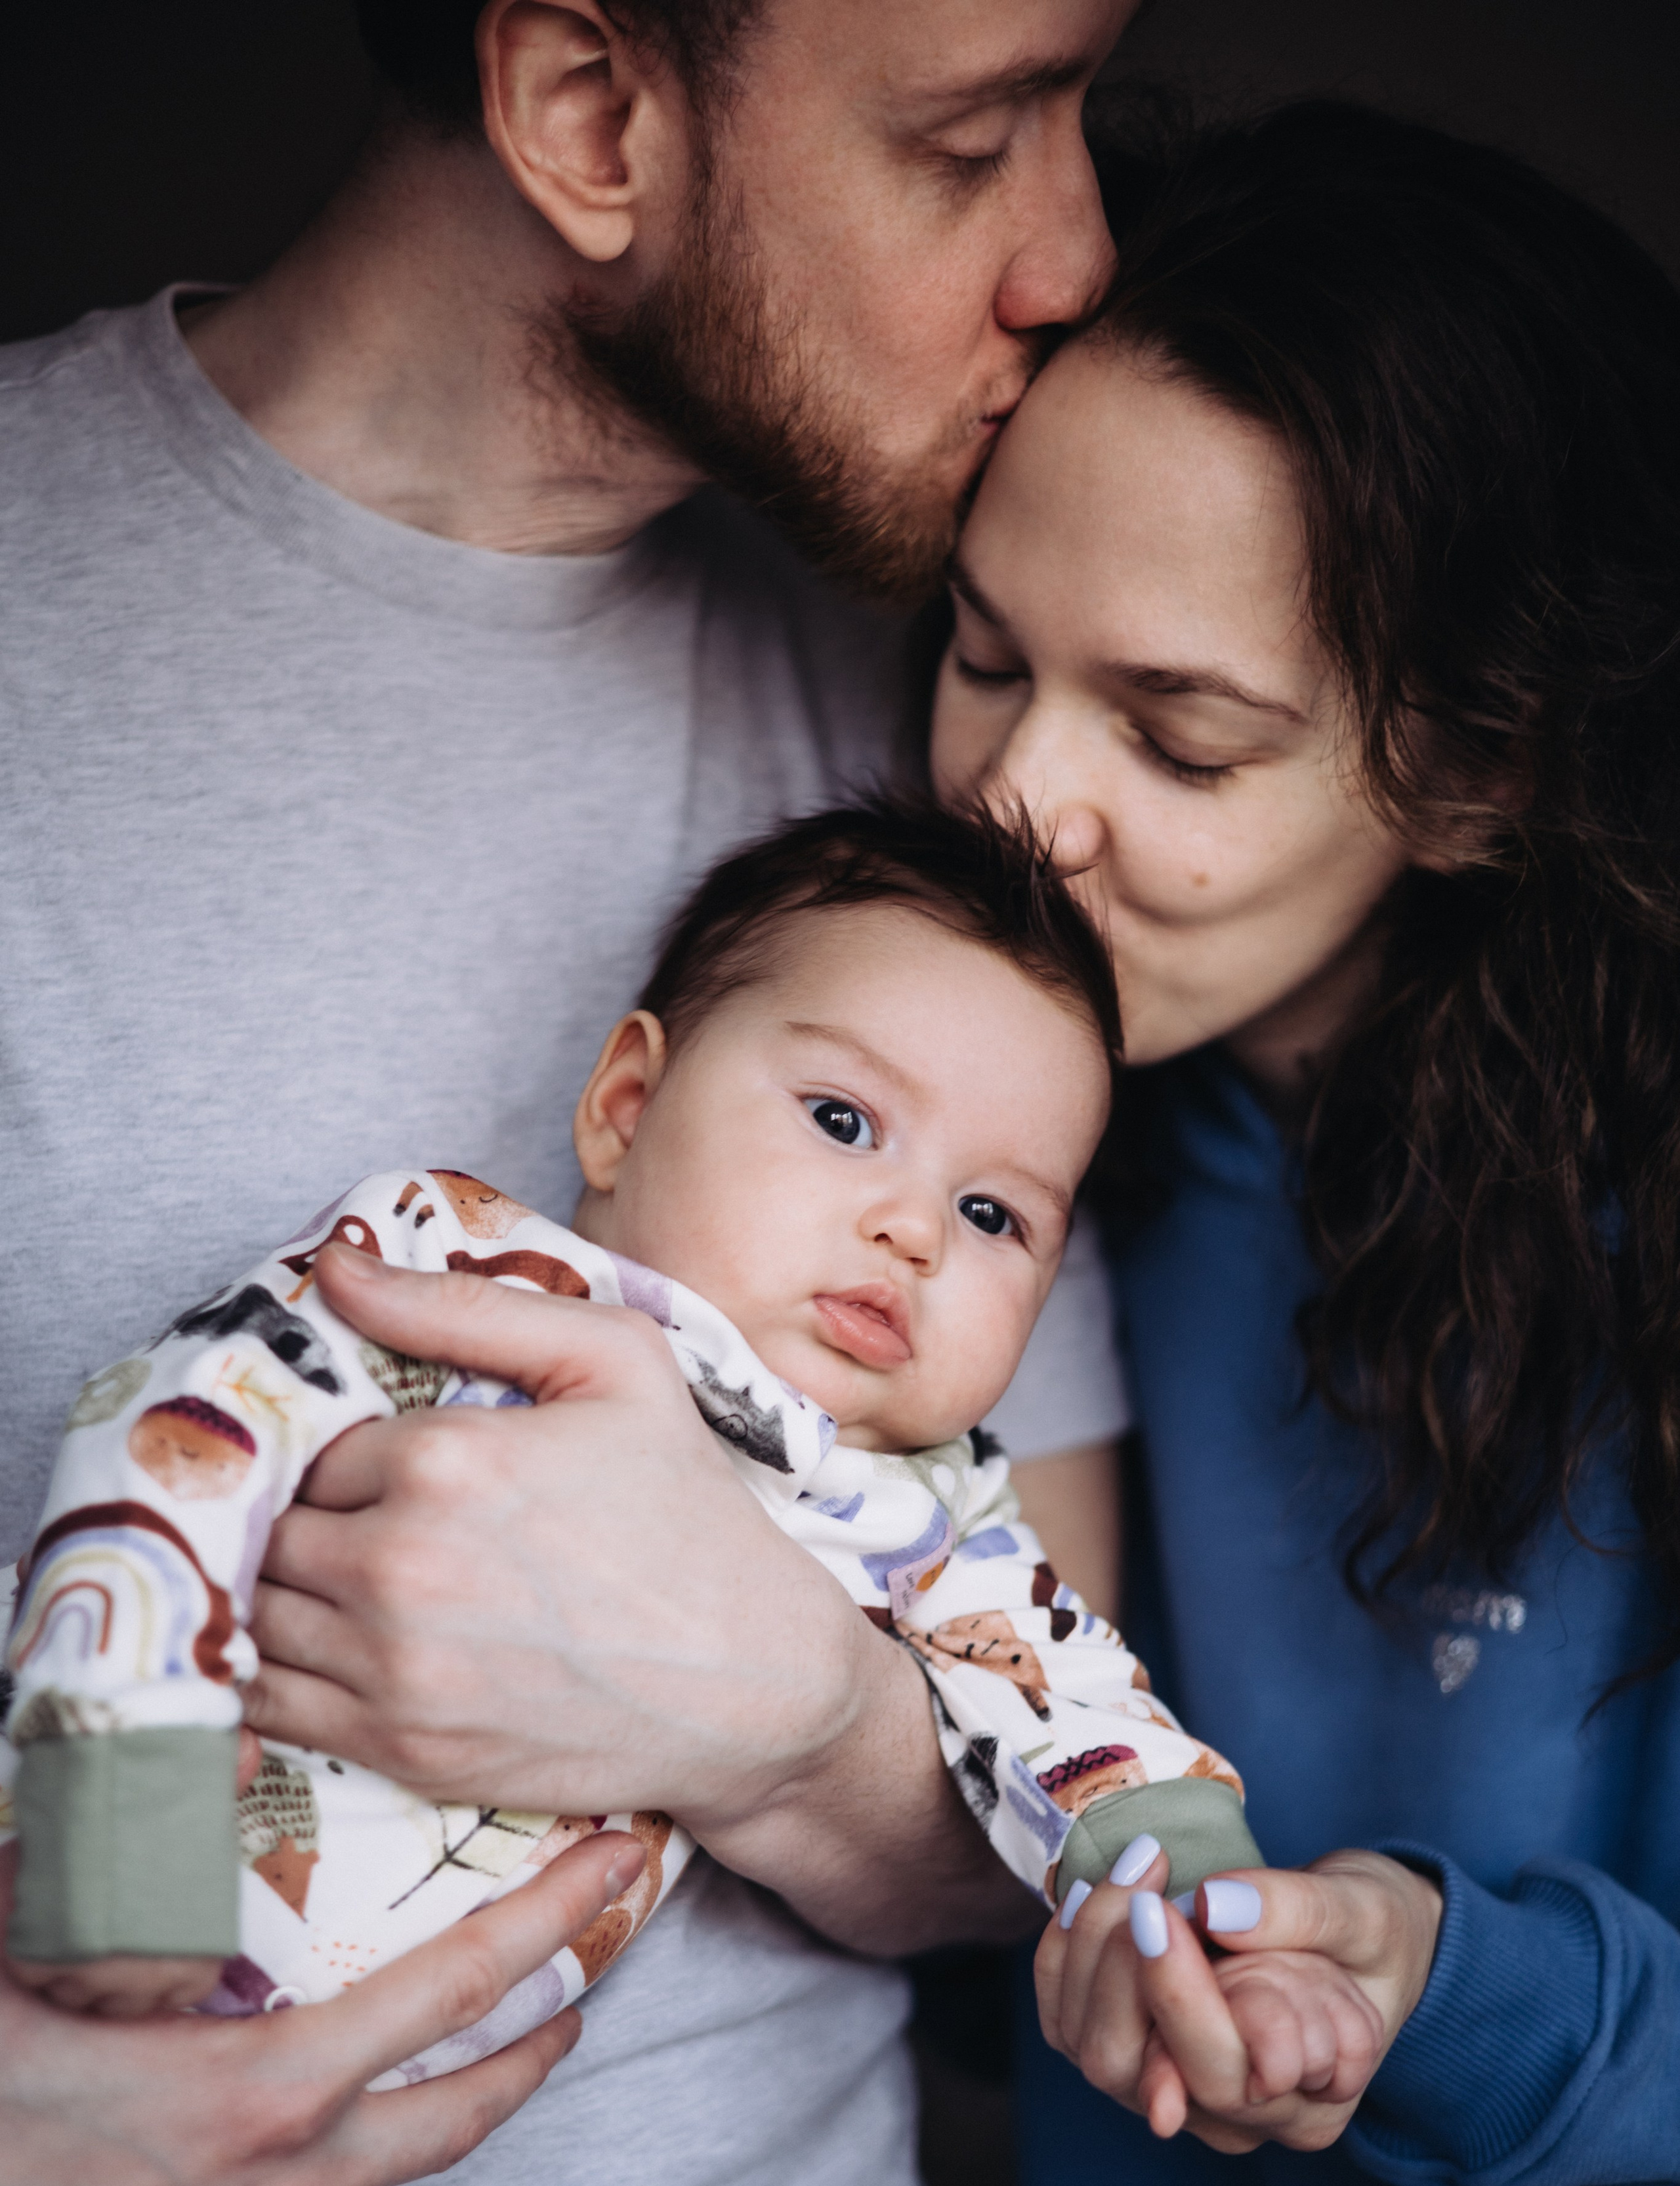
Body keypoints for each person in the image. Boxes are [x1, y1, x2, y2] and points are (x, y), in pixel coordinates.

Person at [0, 1, 1135, 2186]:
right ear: (591, 117)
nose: (1079, 247)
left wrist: (784, 1723)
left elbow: (1028, 1776)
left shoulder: (945, 716)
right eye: (971, 137)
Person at [930, 100, 1680, 2186]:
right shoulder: (1009, 1169)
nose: (1013, 802)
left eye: (1178, 736)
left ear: (1471, 765)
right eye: (975, 654)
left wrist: (1431, 1980)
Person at [5, 805, 1261, 2061]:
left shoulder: (935, 1522)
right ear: (627, 1103)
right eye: (842, 1121)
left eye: (993, 1213)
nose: (915, 1229)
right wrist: (121, 1809)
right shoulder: (459, 1272)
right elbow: (182, 1437)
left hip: (328, 2114)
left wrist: (1210, 1926)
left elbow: (1079, 1713)